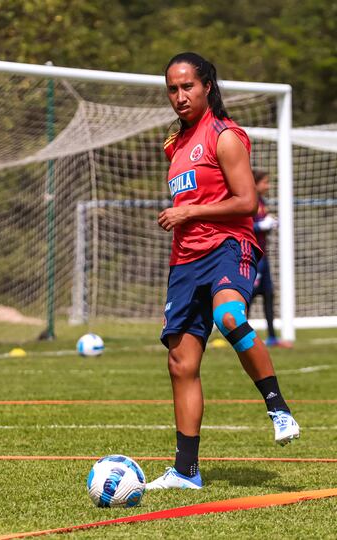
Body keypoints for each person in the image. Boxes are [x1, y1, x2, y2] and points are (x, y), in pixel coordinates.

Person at [146, 52, 299, 491]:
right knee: (181, 363)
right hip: (185, 262)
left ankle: (277, 407)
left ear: (207, 85)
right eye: (172, 89)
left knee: (229, 316)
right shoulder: (174, 145)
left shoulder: (226, 136)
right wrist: (184, 220)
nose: (179, 96)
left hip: (229, 246)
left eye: (187, 86)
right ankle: (185, 471)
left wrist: (188, 212)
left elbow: (247, 201)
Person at [251, 169, 292, 348]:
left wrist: (270, 222)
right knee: (248, 296)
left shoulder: (261, 202)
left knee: (268, 294)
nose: (267, 186)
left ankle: (272, 338)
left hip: (263, 257)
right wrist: (260, 225)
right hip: (252, 257)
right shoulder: (248, 200)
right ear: (255, 183)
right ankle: (235, 336)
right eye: (265, 182)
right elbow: (241, 227)